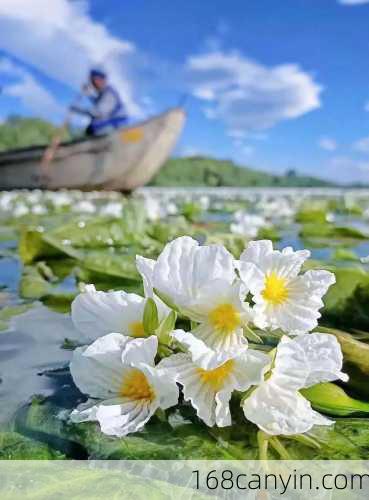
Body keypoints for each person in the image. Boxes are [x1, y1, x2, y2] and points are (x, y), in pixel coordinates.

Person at [71, 69, 127, 136]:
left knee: (92, 128)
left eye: (94, 81)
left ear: (100, 80)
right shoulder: (103, 93)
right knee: (90, 129)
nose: (93, 85)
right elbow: (98, 102)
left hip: (116, 124)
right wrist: (88, 94)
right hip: (111, 123)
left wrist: (77, 110)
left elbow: (99, 112)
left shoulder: (109, 93)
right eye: (92, 82)